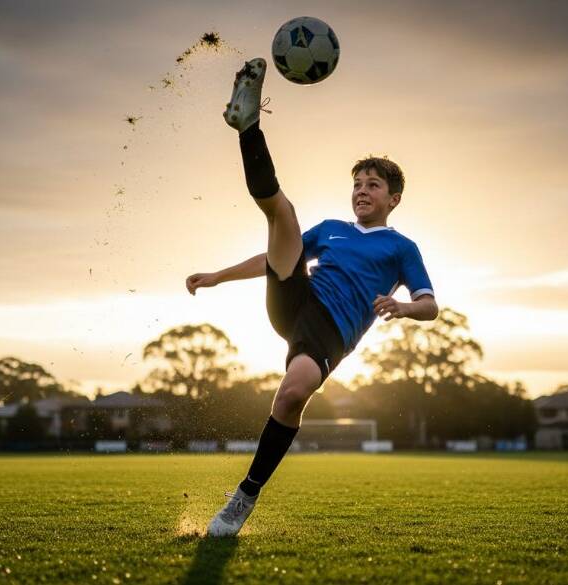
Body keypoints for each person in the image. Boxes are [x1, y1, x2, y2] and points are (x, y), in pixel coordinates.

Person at [185, 58, 438, 537]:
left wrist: (403, 307)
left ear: (394, 198)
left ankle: (245, 496)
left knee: (293, 394)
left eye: (373, 185)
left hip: (329, 330)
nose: (362, 192)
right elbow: (274, 257)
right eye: (358, 185)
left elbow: (430, 305)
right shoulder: (333, 230)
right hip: (295, 299)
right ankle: (248, 126)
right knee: (283, 214)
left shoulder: (402, 248)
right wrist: (218, 276)